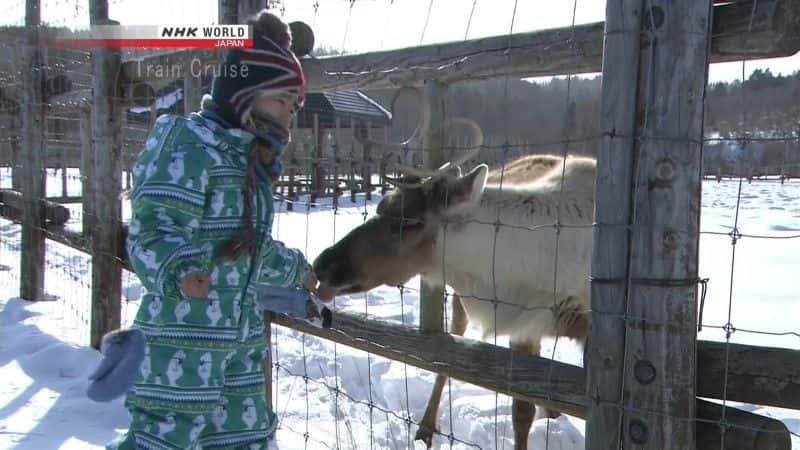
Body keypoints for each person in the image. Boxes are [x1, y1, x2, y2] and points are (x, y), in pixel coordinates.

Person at [107, 10, 331, 449]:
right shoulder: (191, 145)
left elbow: (248, 248)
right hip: (183, 339)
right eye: (281, 101)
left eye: (294, 107)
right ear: (244, 96)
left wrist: (296, 270)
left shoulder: (249, 165)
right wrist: (180, 267)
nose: (289, 115)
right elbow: (153, 226)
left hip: (239, 339)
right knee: (163, 438)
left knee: (245, 437)